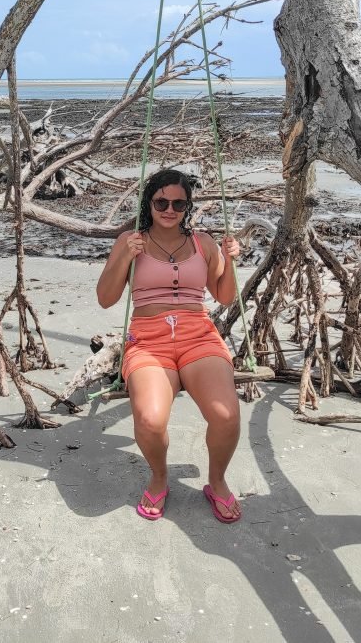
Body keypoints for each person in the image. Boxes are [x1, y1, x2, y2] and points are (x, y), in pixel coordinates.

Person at [96, 168, 242, 523]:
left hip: (198, 336)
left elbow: (224, 296)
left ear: (187, 206)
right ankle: (160, 476)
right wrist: (124, 258)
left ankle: (217, 481)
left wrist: (231, 260)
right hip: (149, 341)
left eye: (178, 203)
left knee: (226, 416)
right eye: (161, 201)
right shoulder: (130, 241)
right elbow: (105, 298)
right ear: (149, 202)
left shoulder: (203, 243)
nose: (169, 209)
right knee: (149, 419)